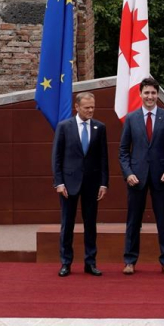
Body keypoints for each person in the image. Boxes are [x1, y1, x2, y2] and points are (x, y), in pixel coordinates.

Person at [119, 77, 164, 275]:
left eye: (153, 93)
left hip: (161, 178)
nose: (150, 96)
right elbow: (123, 151)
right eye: (147, 93)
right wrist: (128, 174)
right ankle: (129, 261)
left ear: (157, 95)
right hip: (136, 178)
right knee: (133, 221)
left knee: (163, 220)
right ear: (140, 94)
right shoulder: (131, 118)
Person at [51, 92, 109, 277]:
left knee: (90, 224)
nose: (91, 110)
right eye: (87, 107)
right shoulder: (64, 127)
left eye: (93, 107)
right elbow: (57, 157)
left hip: (92, 184)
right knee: (67, 224)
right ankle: (66, 263)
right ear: (77, 107)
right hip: (68, 184)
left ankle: (90, 263)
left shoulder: (100, 127)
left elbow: (103, 158)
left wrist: (104, 183)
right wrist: (59, 182)